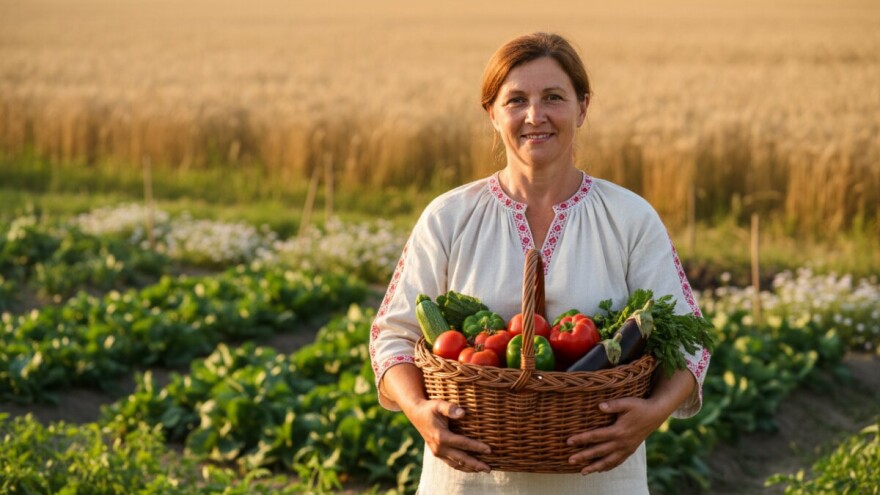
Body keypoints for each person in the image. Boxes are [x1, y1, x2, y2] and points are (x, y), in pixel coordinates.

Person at [369, 32, 711, 495]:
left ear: (583, 107)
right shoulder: (449, 216)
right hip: (471, 478)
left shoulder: (630, 218)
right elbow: (392, 335)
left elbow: (690, 341)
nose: (536, 116)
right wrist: (418, 411)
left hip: (599, 476)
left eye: (554, 97)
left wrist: (651, 416)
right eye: (516, 100)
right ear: (492, 113)